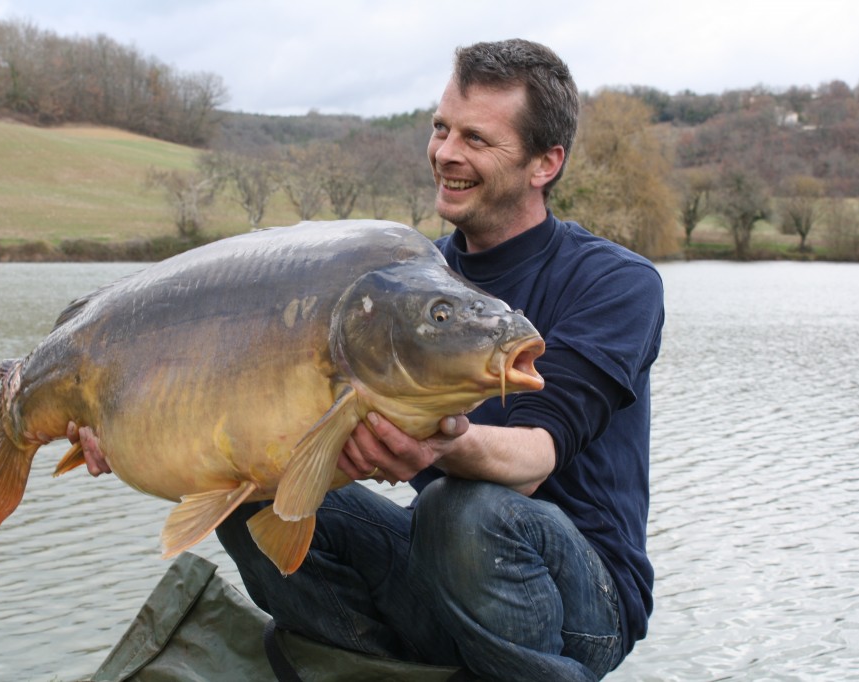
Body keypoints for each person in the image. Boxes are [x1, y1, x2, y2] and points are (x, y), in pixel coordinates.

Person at [81, 38, 664, 682]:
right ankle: (366, 668)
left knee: (461, 511)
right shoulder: (406, 281)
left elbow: (535, 457)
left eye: (476, 138)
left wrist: (436, 444)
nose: (445, 153)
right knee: (248, 489)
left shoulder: (616, 283)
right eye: (441, 128)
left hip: (584, 600)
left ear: (544, 163)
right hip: (436, 567)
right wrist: (125, 419)